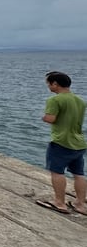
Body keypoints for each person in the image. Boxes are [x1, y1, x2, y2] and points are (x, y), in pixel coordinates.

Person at [36, 71, 87, 215]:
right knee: (79, 174)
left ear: (55, 84)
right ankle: (81, 204)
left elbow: (51, 118)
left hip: (61, 141)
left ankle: (59, 202)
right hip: (79, 142)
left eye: (48, 83)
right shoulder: (80, 101)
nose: (48, 86)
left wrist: (43, 117)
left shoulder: (55, 100)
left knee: (57, 172)